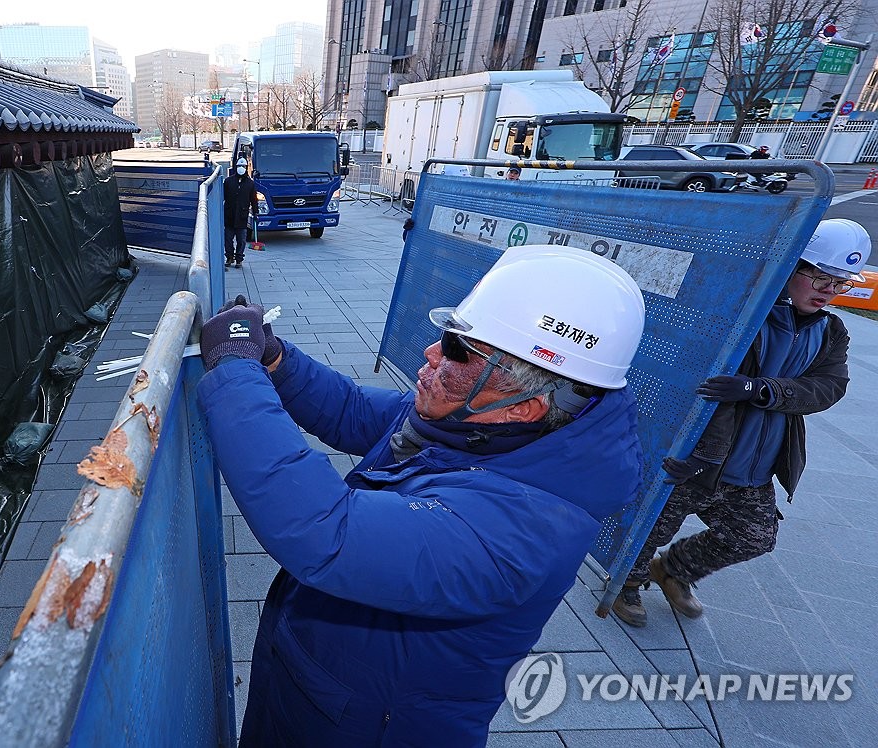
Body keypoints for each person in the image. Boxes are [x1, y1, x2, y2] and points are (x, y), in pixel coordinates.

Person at [197, 245, 647, 746]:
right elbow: (353, 412)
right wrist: (275, 361)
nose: (432, 355)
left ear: (524, 407)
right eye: (447, 338)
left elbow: (326, 533)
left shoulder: (524, 530)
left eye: (457, 352)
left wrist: (234, 375)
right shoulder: (481, 427)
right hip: (324, 692)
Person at [613, 218, 871, 628]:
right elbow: (683, 371)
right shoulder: (741, 313)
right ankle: (628, 579)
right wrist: (670, 444)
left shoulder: (831, 331)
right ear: (792, 266)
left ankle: (675, 570)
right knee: (652, 524)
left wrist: (759, 389)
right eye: (820, 276)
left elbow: (829, 387)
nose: (828, 290)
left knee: (753, 536)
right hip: (700, 457)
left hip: (752, 466)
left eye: (838, 282)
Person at [224, 157, 258, 269]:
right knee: (228, 239)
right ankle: (229, 257)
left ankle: (239, 259)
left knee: (241, 240)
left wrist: (256, 212)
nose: (241, 168)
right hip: (229, 216)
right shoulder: (228, 181)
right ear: (235, 167)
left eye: (243, 166)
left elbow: (254, 199)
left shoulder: (250, 184)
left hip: (242, 217)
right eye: (239, 166)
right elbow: (222, 197)